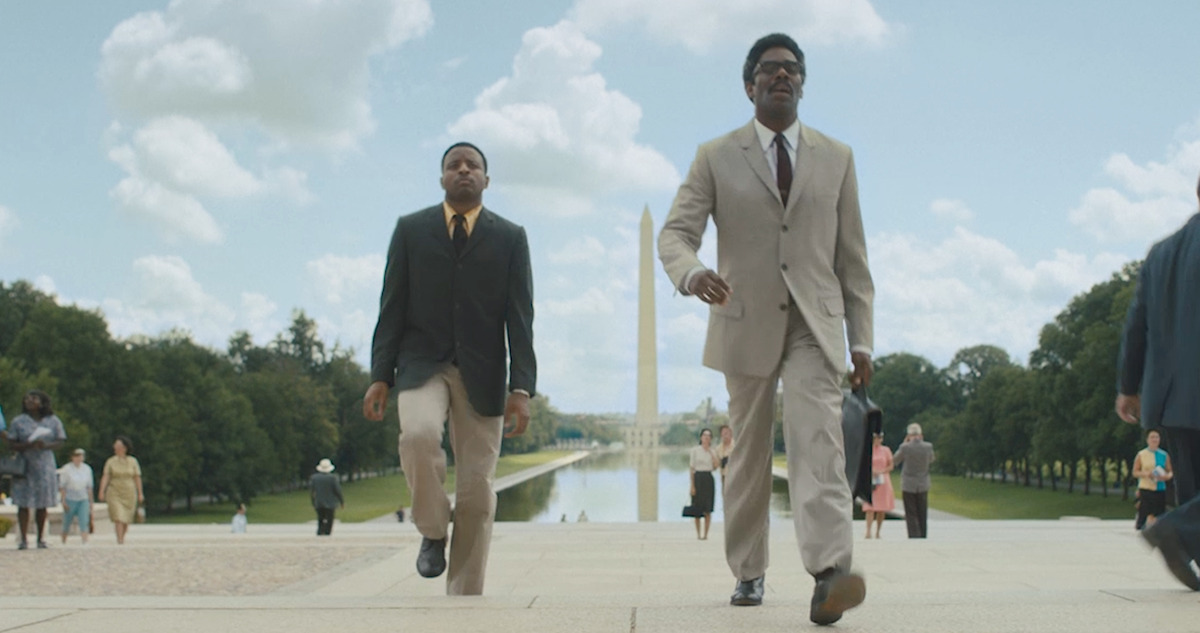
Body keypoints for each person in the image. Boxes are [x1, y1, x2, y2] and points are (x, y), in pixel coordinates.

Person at [658, 33, 874, 625]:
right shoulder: (715, 155)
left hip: (815, 323)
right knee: (749, 455)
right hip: (743, 316)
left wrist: (862, 340)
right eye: (771, 69)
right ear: (749, 83)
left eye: (793, 69)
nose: (784, 76)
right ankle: (748, 572)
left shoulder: (838, 156)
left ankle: (829, 573)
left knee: (818, 442)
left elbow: (853, 259)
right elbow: (674, 234)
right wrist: (692, 272)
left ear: (803, 83)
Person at [363, 141, 536, 596]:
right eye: (453, 165)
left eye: (472, 165)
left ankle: (464, 599)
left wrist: (522, 388)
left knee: (478, 491)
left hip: (482, 373)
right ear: (442, 178)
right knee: (417, 435)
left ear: (486, 179)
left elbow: (520, 318)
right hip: (421, 364)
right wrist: (380, 375)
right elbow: (391, 307)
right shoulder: (410, 230)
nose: (463, 170)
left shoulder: (510, 237)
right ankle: (433, 528)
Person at [1116, 173, 1200, 590]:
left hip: (1170, 398)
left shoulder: (1162, 252)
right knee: (1191, 506)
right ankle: (1176, 528)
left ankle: (1182, 529)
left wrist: (1128, 386)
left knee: (1195, 488)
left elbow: (1137, 326)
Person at [3, 390, 66, 549]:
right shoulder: (19, 421)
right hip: (25, 465)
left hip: (44, 465)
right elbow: (11, 443)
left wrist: (46, 445)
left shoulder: (52, 420)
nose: (29, 401)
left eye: (34, 399)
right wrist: (28, 445)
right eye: (27, 399)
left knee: (42, 503)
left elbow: (60, 440)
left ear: (42, 402)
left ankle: (40, 538)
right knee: (23, 503)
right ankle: (23, 539)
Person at [98, 435, 143, 545]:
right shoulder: (111, 461)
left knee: (126, 518)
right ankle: (119, 539)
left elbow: (137, 477)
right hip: (114, 491)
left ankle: (122, 536)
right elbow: (106, 476)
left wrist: (140, 493)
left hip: (129, 491)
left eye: (118, 445)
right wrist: (101, 491)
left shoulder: (132, 461)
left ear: (124, 447)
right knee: (118, 516)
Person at [892, 423, 935, 539]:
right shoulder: (928, 446)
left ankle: (913, 535)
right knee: (922, 511)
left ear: (909, 435)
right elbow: (931, 459)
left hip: (908, 483)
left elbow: (895, 460)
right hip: (923, 482)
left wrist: (905, 443)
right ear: (920, 434)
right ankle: (922, 534)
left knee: (911, 512)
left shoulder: (905, 447)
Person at [1133, 429, 1172, 530]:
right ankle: (1141, 528)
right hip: (1146, 487)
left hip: (1160, 487)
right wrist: (1146, 474)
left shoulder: (1164, 455)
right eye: (1152, 437)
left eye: (1156, 437)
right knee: (1144, 511)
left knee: (1159, 513)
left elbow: (1170, 471)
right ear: (1147, 440)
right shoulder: (1141, 454)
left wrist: (1166, 476)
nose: (1154, 439)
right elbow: (1135, 472)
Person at [861, 434, 895, 539]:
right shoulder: (867, 450)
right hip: (871, 480)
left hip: (882, 480)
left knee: (881, 508)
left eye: (879, 438)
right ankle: (868, 531)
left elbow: (891, 465)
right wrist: (871, 471)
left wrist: (882, 471)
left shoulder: (886, 450)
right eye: (875, 438)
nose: (877, 440)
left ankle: (878, 531)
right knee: (869, 507)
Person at [689, 428, 720, 540]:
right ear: (701, 437)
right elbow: (692, 468)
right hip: (698, 478)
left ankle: (705, 534)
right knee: (697, 508)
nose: (706, 438)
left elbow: (716, 466)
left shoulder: (713, 451)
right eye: (704, 435)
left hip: (708, 478)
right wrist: (692, 485)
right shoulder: (695, 451)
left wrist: (711, 453)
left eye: (709, 436)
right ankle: (698, 534)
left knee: (707, 508)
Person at [58, 448, 94, 545]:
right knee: (67, 521)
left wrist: (91, 502)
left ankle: (85, 540)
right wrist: (63, 500)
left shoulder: (87, 469)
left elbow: (89, 487)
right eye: (76, 456)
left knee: (84, 520)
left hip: (83, 498)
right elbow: (62, 486)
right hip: (70, 497)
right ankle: (63, 540)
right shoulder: (67, 469)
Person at [310, 458, 343, 536]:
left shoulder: (314, 478)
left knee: (320, 518)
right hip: (331, 503)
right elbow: (337, 490)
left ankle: (320, 531)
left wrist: (313, 502)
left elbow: (312, 492)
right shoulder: (333, 478)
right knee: (330, 519)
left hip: (319, 502)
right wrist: (341, 501)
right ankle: (327, 532)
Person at [715, 424, 735, 489]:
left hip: (736, 474)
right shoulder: (718, 448)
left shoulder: (736, 445)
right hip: (724, 476)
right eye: (723, 434)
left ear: (731, 433)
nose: (725, 436)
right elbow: (717, 464)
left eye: (726, 433)